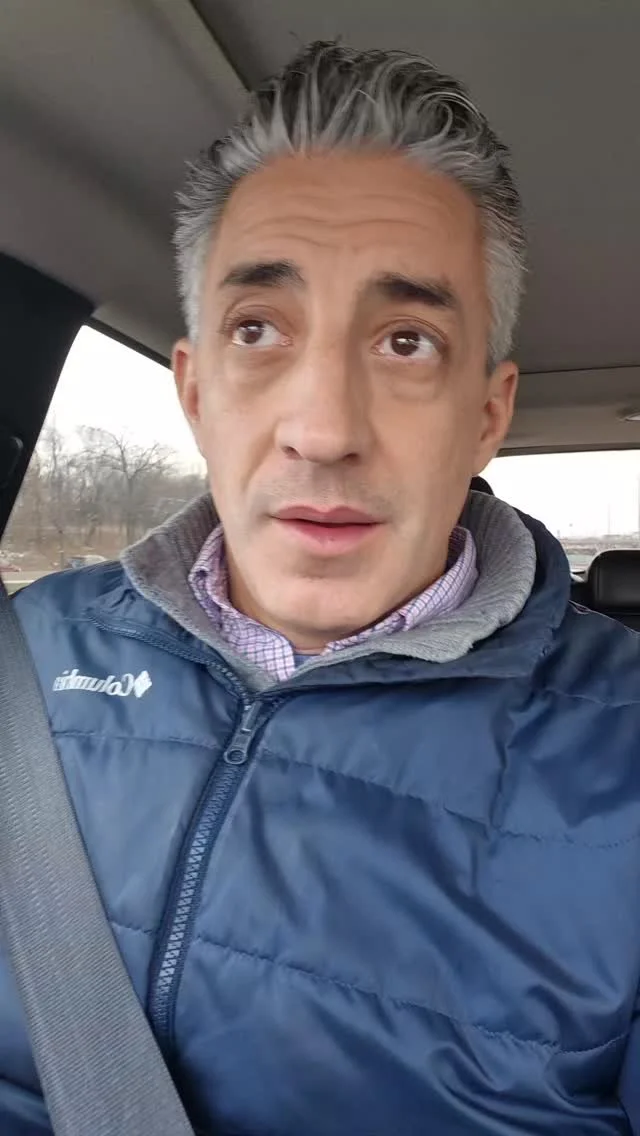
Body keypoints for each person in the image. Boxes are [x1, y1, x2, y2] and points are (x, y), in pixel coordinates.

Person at [7, 40, 640, 1136]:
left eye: (406, 341)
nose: (325, 429)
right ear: (196, 393)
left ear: (487, 415)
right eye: (258, 329)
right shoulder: (23, 654)